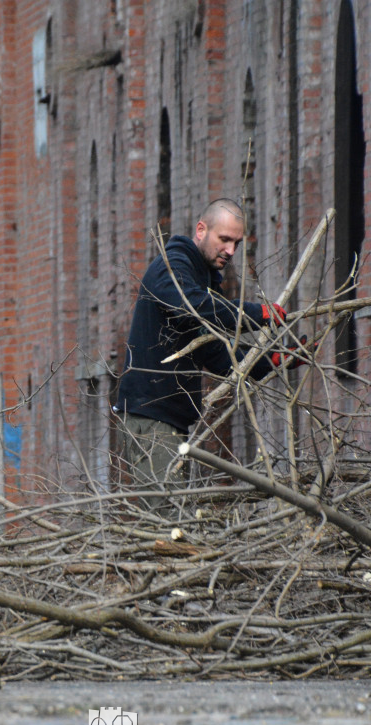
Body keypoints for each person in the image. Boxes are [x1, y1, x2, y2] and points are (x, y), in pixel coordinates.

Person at [113, 198, 303, 517]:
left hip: (167, 422)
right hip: (151, 419)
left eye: (236, 243)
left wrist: (272, 361)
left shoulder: (198, 278)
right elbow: (193, 306)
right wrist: (258, 313)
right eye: (224, 240)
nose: (230, 251)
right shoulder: (173, 267)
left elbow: (214, 352)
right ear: (201, 230)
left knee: (175, 522)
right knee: (167, 525)